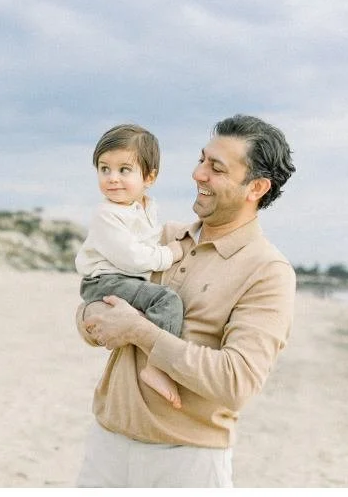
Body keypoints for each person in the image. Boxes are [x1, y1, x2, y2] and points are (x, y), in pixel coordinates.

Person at [75, 114, 296, 488]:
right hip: (107, 445)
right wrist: (92, 317)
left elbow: (236, 382)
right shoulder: (162, 238)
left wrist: (140, 332)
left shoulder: (268, 271)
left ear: (256, 187)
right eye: (201, 160)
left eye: (216, 168)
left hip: (187, 463)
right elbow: (91, 306)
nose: (198, 174)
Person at [76, 124, 185, 409]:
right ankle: (157, 366)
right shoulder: (106, 214)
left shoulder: (143, 208)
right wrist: (168, 255)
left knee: (150, 305)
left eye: (124, 170)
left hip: (121, 278)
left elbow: (146, 239)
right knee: (167, 299)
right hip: (106, 280)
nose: (112, 179)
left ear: (149, 177)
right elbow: (133, 258)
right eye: (104, 169)